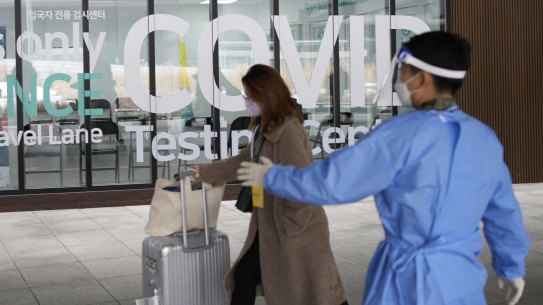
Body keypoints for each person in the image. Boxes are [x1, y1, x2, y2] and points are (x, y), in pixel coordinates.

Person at [237, 32, 531, 305]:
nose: (398, 80)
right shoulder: (483, 138)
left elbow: (334, 182)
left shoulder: (399, 135)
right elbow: (503, 210)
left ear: (422, 78)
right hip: (461, 280)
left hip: (405, 280)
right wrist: (511, 265)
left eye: (403, 73)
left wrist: (272, 176)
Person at [191, 64, 348, 305]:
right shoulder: (265, 126)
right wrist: (207, 171)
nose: (246, 103)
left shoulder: (289, 131)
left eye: (251, 97)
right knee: (245, 278)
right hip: (269, 223)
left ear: (267, 95)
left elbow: (303, 182)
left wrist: (290, 225)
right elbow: (244, 160)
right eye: (246, 96)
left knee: (317, 291)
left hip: (294, 229)